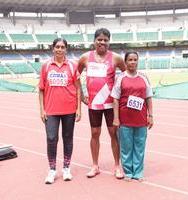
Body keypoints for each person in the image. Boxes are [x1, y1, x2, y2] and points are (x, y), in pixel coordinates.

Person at [78, 28, 126, 179]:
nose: (102, 42)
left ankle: (117, 166)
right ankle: (95, 165)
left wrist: (120, 97)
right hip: (93, 104)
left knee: (114, 133)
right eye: (99, 39)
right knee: (94, 133)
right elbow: (76, 76)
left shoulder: (116, 58)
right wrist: (81, 96)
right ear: (94, 41)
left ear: (109, 42)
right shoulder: (85, 57)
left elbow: (125, 76)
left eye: (105, 39)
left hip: (111, 104)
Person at [39, 38, 81, 184]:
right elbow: (41, 90)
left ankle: (66, 168)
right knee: (51, 139)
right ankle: (52, 170)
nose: (59, 49)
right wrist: (42, 109)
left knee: (68, 139)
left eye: (62, 47)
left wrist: (79, 109)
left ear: (66, 49)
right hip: (50, 110)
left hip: (69, 109)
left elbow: (78, 88)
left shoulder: (72, 66)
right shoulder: (46, 66)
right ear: (53, 48)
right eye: (57, 47)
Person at [111, 51, 153, 181]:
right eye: (130, 60)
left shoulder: (143, 77)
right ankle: (128, 172)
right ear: (126, 62)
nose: (133, 62)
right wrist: (116, 118)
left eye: (135, 60)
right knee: (126, 147)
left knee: (140, 147)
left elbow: (149, 97)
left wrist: (150, 115)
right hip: (125, 120)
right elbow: (115, 99)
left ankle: (138, 172)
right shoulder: (121, 78)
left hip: (141, 120)